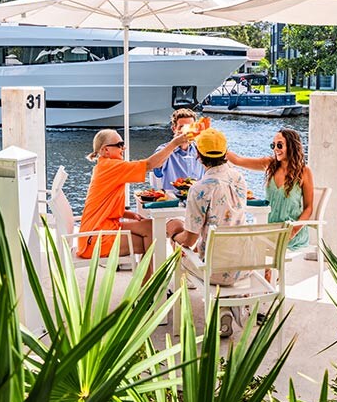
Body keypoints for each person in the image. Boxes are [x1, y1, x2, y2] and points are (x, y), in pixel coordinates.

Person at [165, 127, 249, 337]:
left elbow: (189, 239)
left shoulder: (199, 188)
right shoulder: (239, 178)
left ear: (198, 155)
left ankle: (177, 310)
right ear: (225, 152)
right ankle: (225, 307)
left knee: (179, 248)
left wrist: (173, 234)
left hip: (214, 270)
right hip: (244, 265)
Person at [78, 129, 188, 270]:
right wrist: (174, 143)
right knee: (153, 241)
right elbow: (149, 165)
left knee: (151, 228)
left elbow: (103, 204)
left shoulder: (104, 166)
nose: (124, 148)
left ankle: (148, 280)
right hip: (95, 239)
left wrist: (128, 214)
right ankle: (150, 280)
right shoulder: (111, 166)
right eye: (120, 144)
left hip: (102, 228)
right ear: (106, 150)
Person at [226, 128, 314, 252]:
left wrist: (293, 231)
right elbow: (237, 160)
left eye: (280, 145)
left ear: (292, 146)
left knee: (248, 246)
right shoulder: (269, 164)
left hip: (291, 232)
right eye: (273, 145)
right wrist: (215, 146)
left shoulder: (304, 172)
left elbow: (309, 208)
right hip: (268, 229)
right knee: (239, 242)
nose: (275, 149)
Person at [152, 108, 206, 193]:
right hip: (173, 198)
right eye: (181, 127)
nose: (186, 130)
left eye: (190, 126)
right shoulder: (163, 149)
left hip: (197, 196)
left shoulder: (201, 150)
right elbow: (156, 170)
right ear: (174, 129)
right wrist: (175, 144)